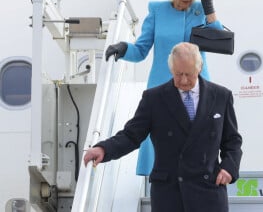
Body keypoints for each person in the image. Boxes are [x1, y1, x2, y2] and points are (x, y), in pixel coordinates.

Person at [84, 42, 242, 212]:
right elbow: (131, 135)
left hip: (208, 191)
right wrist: (103, 149)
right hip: (169, 194)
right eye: (178, 74)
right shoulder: (154, 98)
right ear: (171, 69)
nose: (183, 80)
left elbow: (232, 141)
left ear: (200, 67)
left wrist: (228, 167)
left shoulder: (221, 96)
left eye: (188, 74)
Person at [105, 0, 224, 176]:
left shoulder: (200, 11)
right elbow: (141, 50)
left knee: (197, 134)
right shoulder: (158, 11)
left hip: (196, 83)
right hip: (163, 84)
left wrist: (210, 8)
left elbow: (219, 41)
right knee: (162, 138)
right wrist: (123, 48)